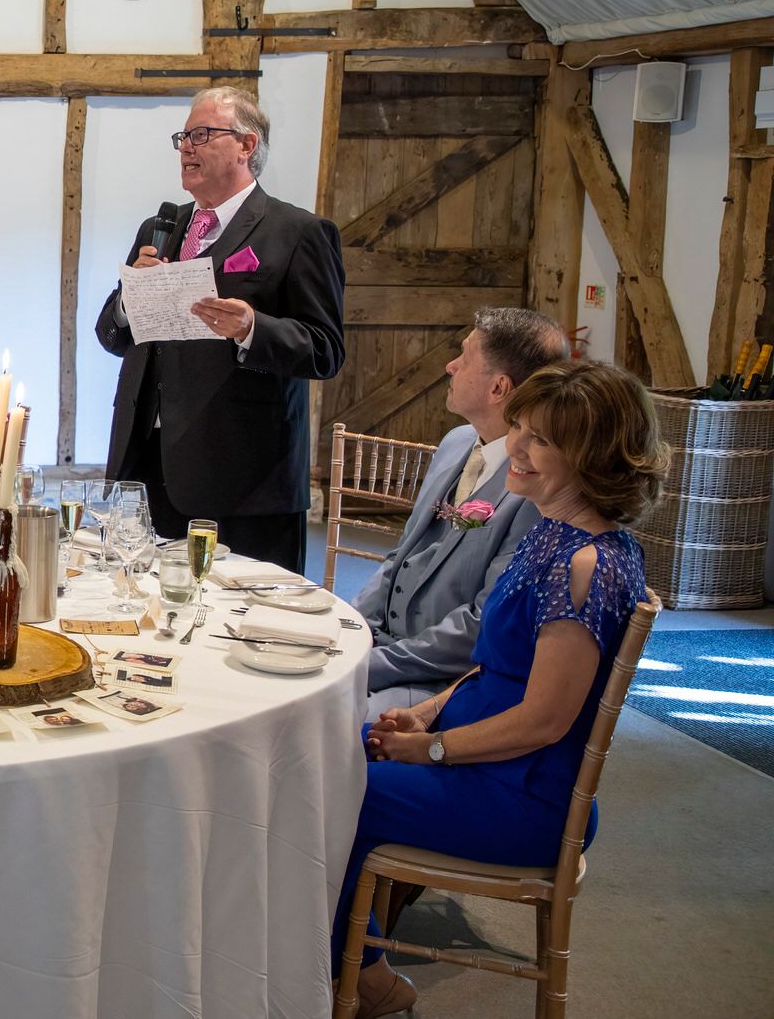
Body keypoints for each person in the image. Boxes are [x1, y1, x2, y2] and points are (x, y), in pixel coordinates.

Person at [333, 360, 664, 1017]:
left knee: (337, 788)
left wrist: (432, 749)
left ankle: (353, 970)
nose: (516, 446)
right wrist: (424, 715)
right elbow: (495, 668)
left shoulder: (586, 564)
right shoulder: (557, 535)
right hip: (494, 771)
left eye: (540, 439)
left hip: (526, 797)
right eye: (522, 429)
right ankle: (342, 959)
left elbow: (543, 719)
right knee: (340, 762)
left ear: (591, 459)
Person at [95, 85, 346, 573]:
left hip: (245, 477)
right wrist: (129, 298)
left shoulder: (297, 233)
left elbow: (326, 350)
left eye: (203, 134)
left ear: (247, 146)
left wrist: (253, 328)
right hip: (147, 462)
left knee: (244, 623)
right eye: (183, 137)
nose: (187, 147)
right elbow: (113, 336)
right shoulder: (158, 228)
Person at [352, 308, 571, 720]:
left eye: (464, 356)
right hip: (382, 646)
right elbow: (400, 557)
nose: (449, 366)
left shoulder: (535, 488)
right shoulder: (456, 442)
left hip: (446, 681)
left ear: (498, 387)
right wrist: (349, 631)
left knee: (317, 724)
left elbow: (479, 625)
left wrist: (366, 667)